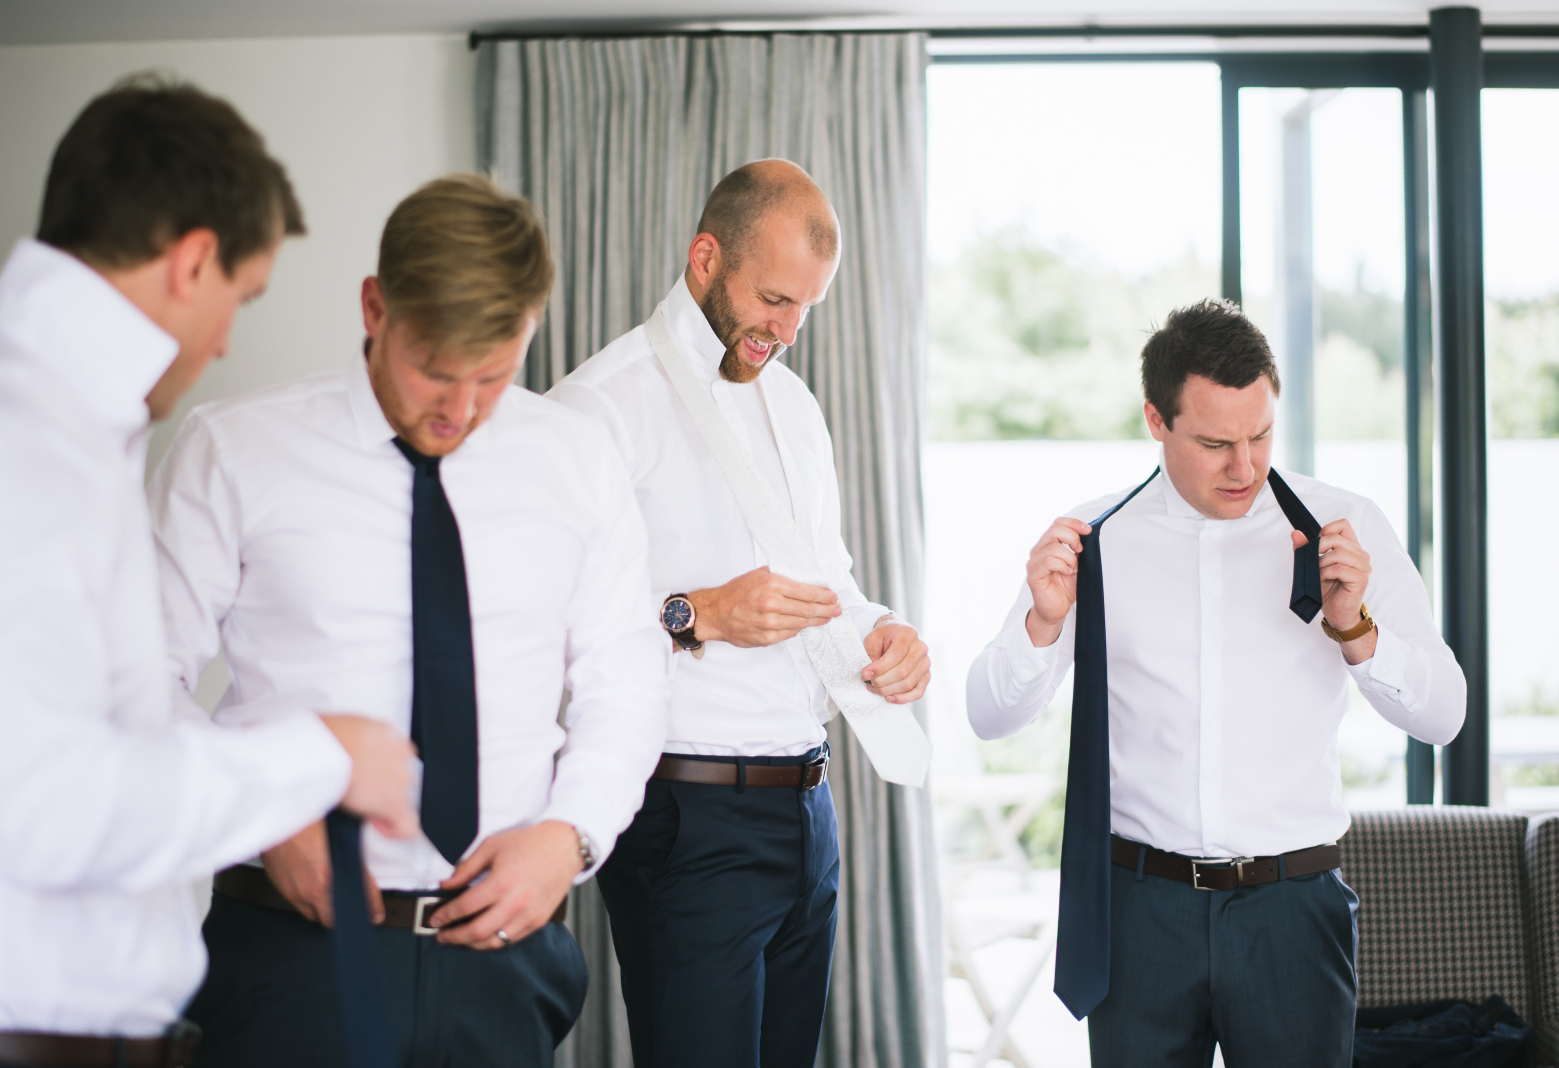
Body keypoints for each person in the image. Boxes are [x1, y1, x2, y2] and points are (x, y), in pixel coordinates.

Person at [149, 173, 669, 1068]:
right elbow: (136, 679)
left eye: (494, 376)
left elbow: (626, 683)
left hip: (506, 962)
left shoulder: (579, 461)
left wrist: (570, 836)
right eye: (434, 369)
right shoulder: (232, 451)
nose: (459, 411)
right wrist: (262, 813)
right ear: (374, 307)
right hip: (292, 953)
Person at [0, 77, 418, 1068]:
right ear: (193, 260)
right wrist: (320, 757)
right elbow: (52, 806)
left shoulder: (60, 433)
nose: (226, 342)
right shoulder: (13, 442)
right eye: (239, 299)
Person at [967, 299, 1467, 1068]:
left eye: (1260, 435)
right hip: (1141, 913)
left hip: (1293, 911)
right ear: (1156, 420)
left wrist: (1358, 629)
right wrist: (1042, 621)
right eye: (1214, 443)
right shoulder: (1092, 541)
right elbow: (988, 714)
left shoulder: (1347, 527)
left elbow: (1444, 716)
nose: (1245, 467)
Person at [548, 159, 932, 1068]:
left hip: (809, 810)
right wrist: (702, 614)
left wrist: (885, 632)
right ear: (705, 258)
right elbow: (545, 632)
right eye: (772, 299)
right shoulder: (597, 408)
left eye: (806, 309)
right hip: (687, 817)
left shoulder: (795, 406)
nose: (787, 331)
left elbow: (829, 579)